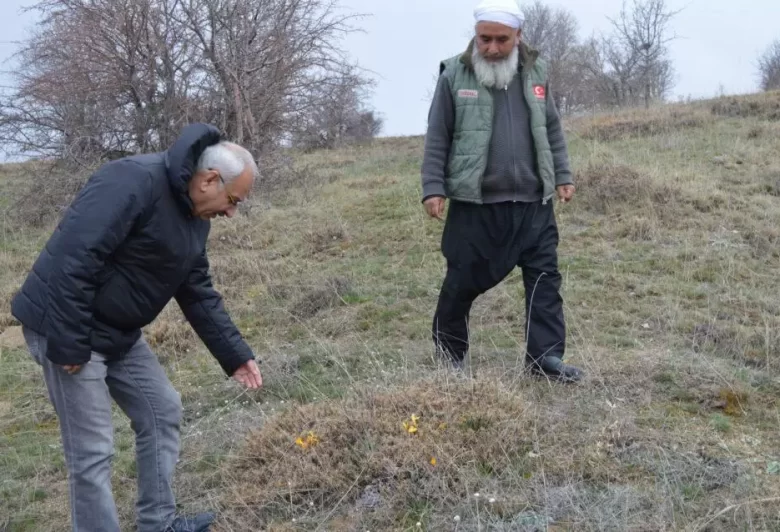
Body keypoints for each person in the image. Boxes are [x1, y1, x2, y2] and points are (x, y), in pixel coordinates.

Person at [10, 123, 263, 532]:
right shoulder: (131, 180)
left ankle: (157, 522)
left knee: (162, 412)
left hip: (118, 333)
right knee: (93, 451)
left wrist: (235, 355)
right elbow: (74, 257)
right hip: (68, 325)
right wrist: (71, 343)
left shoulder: (194, 217)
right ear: (210, 180)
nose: (232, 212)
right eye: (232, 200)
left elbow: (196, 289)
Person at [421, 0, 584, 383]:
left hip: (534, 203)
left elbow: (552, 128)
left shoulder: (537, 71)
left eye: (501, 40)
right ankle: (451, 356)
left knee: (545, 281)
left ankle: (545, 359)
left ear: (518, 36)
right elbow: (437, 136)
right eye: (484, 39)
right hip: (476, 206)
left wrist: (563, 174)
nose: (491, 48)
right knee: (461, 282)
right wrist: (432, 187)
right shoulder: (454, 75)